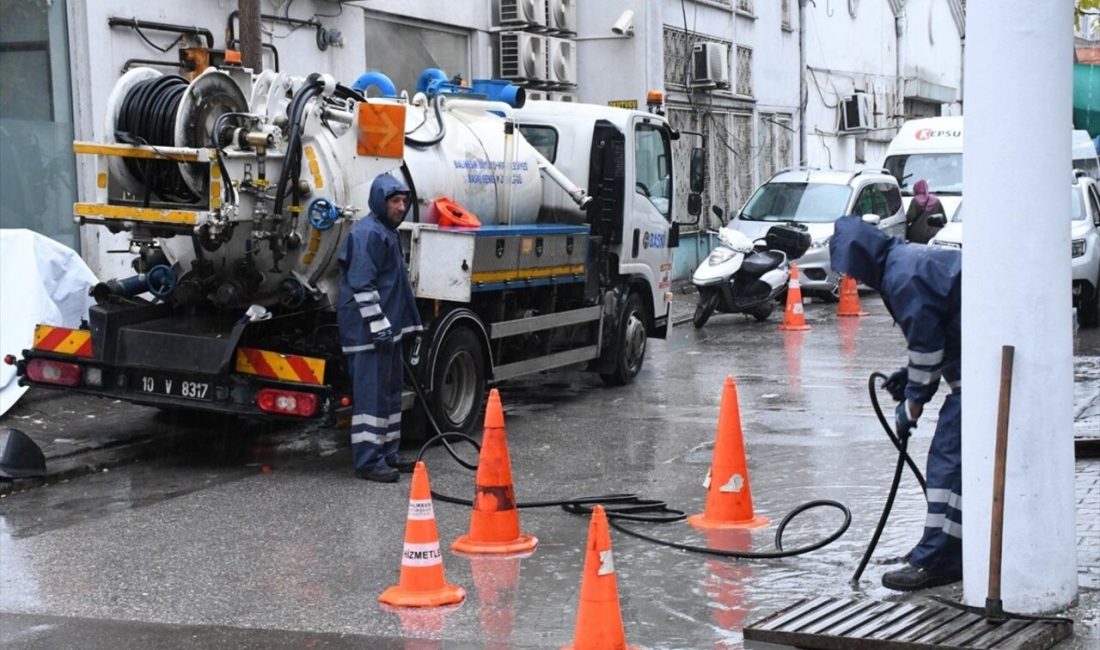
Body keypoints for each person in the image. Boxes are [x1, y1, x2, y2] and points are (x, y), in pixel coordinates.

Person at [829, 215, 962, 591]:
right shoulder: (903, 262)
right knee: (955, 465)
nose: (850, 280)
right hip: (979, 362)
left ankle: (938, 561)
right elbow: (939, 329)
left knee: (948, 463)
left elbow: (927, 346)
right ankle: (943, 551)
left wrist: (912, 405)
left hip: (983, 371)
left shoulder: (902, 277)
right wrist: (912, 374)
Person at [337, 173, 422, 483]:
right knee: (371, 399)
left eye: (404, 202)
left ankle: (387, 454)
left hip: (386, 334)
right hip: (368, 335)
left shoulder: (385, 232)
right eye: (395, 201)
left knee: (389, 397)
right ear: (379, 202)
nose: (401, 208)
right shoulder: (368, 234)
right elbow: (362, 283)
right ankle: (368, 462)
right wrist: (379, 325)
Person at [904, 179, 946, 244]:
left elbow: (909, 217)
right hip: (933, 234)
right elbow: (944, 219)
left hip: (917, 234)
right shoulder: (936, 200)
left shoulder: (915, 200)